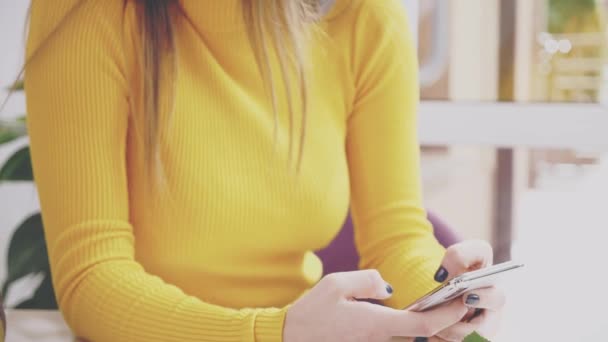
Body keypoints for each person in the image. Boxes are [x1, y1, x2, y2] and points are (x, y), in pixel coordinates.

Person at [24, 0, 505, 341]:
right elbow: (91, 277)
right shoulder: (87, 11)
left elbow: (396, 236)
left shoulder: (364, 17)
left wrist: (445, 291)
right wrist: (270, 333)